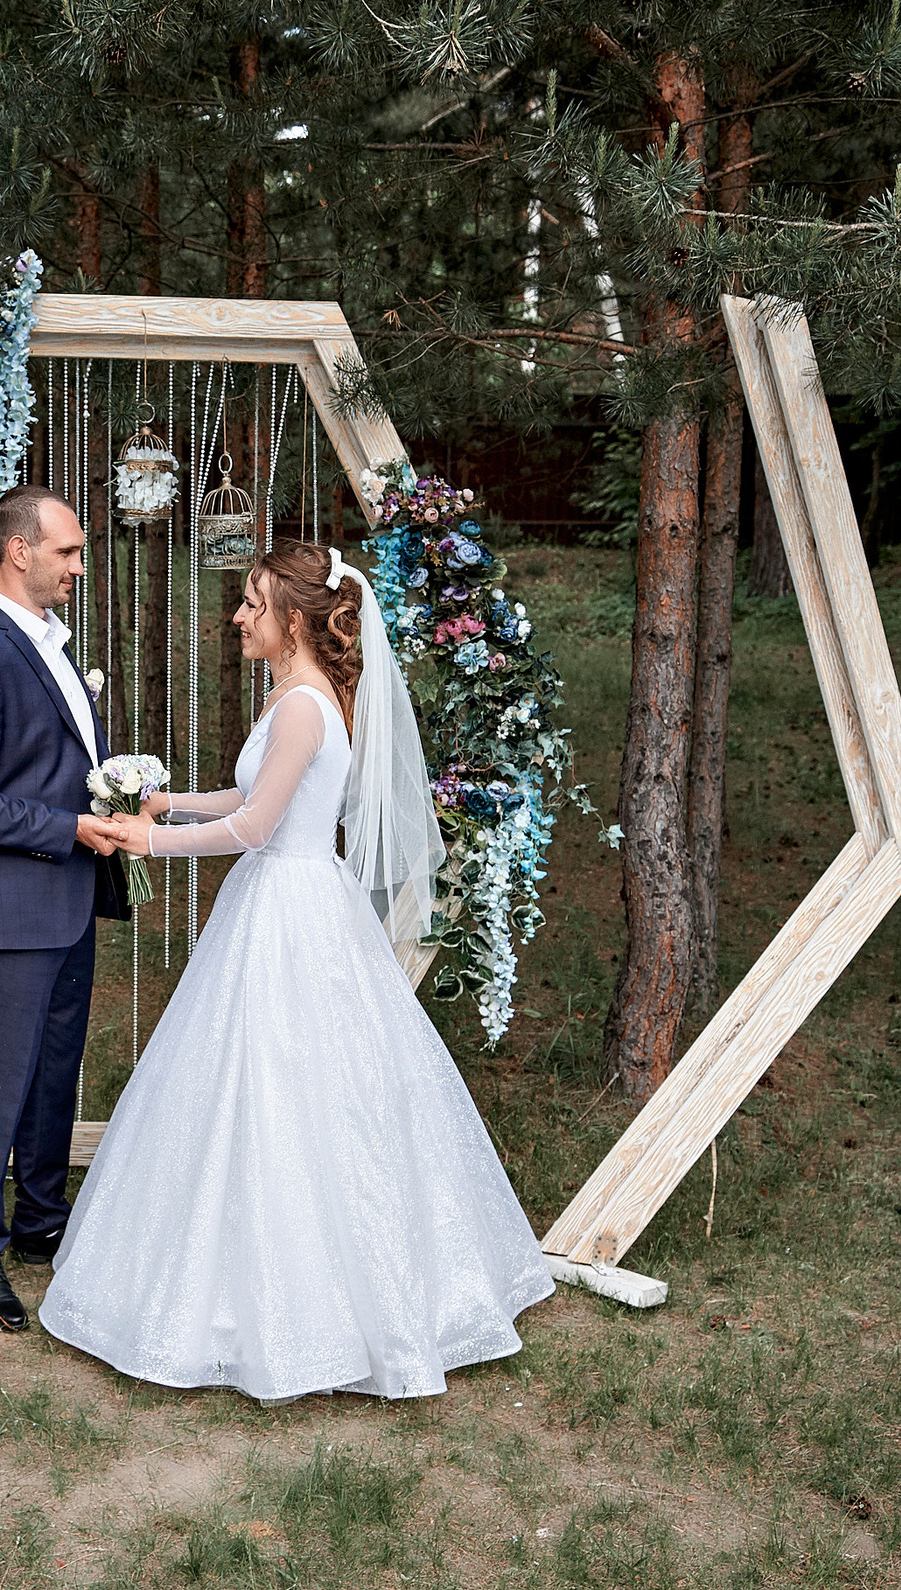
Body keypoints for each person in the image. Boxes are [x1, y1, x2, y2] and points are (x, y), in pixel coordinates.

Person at [37, 539, 555, 1402]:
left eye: (253, 603)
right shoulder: (296, 696)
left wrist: (148, 841)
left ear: (295, 620)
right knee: (254, 1082)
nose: (239, 616)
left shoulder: (305, 706)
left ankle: (311, 1307)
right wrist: (169, 801)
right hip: (284, 894)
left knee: (289, 1084)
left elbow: (255, 829)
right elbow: (249, 801)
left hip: (290, 905)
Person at [0, 487, 132, 1331]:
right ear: (19, 551)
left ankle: (43, 1221)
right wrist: (68, 827)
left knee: (55, 1073)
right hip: (12, 907)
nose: (80, 566)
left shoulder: (52, 644)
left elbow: (58, 762)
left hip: (70, 900)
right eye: (68, 552)